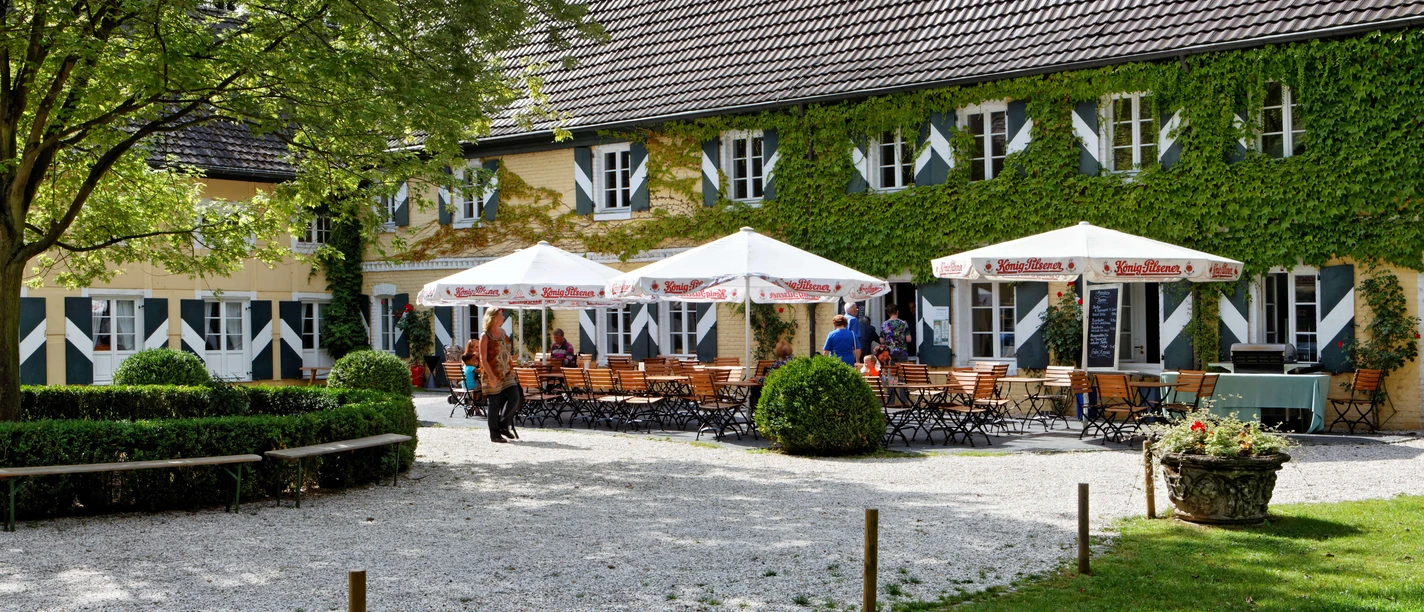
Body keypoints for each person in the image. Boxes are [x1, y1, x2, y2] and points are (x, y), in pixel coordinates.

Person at [479, 308, 520, 443]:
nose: (503, 318)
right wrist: (491, 376)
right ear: (493, 318)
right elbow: (483, 358)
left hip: (506, 372)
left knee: (515, 397)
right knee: (494, 404)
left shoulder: (503, 333)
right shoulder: (485, 336)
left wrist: (511, 367)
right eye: (501, 315)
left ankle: (503, 425)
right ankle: (494, 434)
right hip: (492, 373)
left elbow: (507, 352)